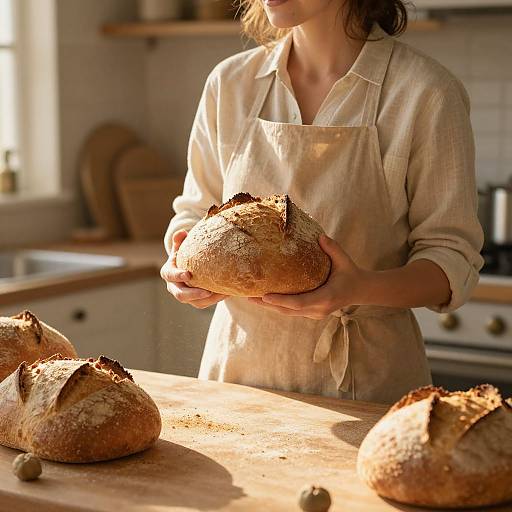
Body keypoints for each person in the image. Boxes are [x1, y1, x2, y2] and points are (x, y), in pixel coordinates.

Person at [160, 0, 484, 404]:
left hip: (367, 388)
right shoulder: (231, 83)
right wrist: (181, 264)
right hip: (237, 382)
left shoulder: (425, 92)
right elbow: (194, 212)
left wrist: (360, 288)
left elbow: (452, 259)